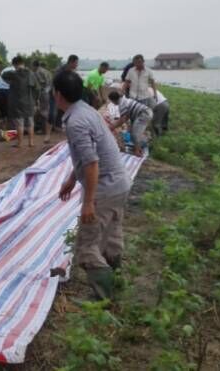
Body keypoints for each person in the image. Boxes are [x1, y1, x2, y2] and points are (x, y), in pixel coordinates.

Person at [54, 70, 131, 301]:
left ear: (58, 94)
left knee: (87, 249)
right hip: (120, 183)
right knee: (111, 239)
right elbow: (86, 156)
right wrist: (71, 179)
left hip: (105, 189)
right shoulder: (87, 111)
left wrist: (88, 202)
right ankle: (116, 284)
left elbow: (91, 163)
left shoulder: (75, 122)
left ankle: (103, 301)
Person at [2, 56, 38, 147]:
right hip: (30, 102)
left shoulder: (13, 74)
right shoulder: (31, 73)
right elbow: (37, 88)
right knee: (30, 123)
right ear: (23, 63)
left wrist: (13, 73)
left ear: (14, 64)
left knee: (19, 123)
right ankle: (31, 142)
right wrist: (36, 100)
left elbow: (3, 75)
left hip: (17, 103)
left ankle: (20, 143)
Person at [107, 91, 152, 157]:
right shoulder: (124, 100)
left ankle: (138, 151)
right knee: (132, 132)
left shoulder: (122, 104)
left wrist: (112, 127)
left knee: (135, 134)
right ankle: (138, 147)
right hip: (143, 113)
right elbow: (126, 117)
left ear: (113, 100)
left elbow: (123, 120)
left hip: (144, 114)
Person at [49, 54, 79, 131]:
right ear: (71, 62)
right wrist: (55, 94)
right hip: (56, 93)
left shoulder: (72, 71)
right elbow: (54, 82)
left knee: (64, 110)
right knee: (53, 112)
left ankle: (59, 126)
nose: (77, 65)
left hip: (64, 94)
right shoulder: (60, 70)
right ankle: (51, 129)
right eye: (76, 63)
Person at [31, 59, 53, 138]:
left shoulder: (37, 72)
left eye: (32, 66)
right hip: (48, 92)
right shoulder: (46, 71)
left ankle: (44, 130)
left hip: (43, 92)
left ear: (34, 66)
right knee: (46, 110)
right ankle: (46, 129)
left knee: (43, 111)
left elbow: (41, 83)